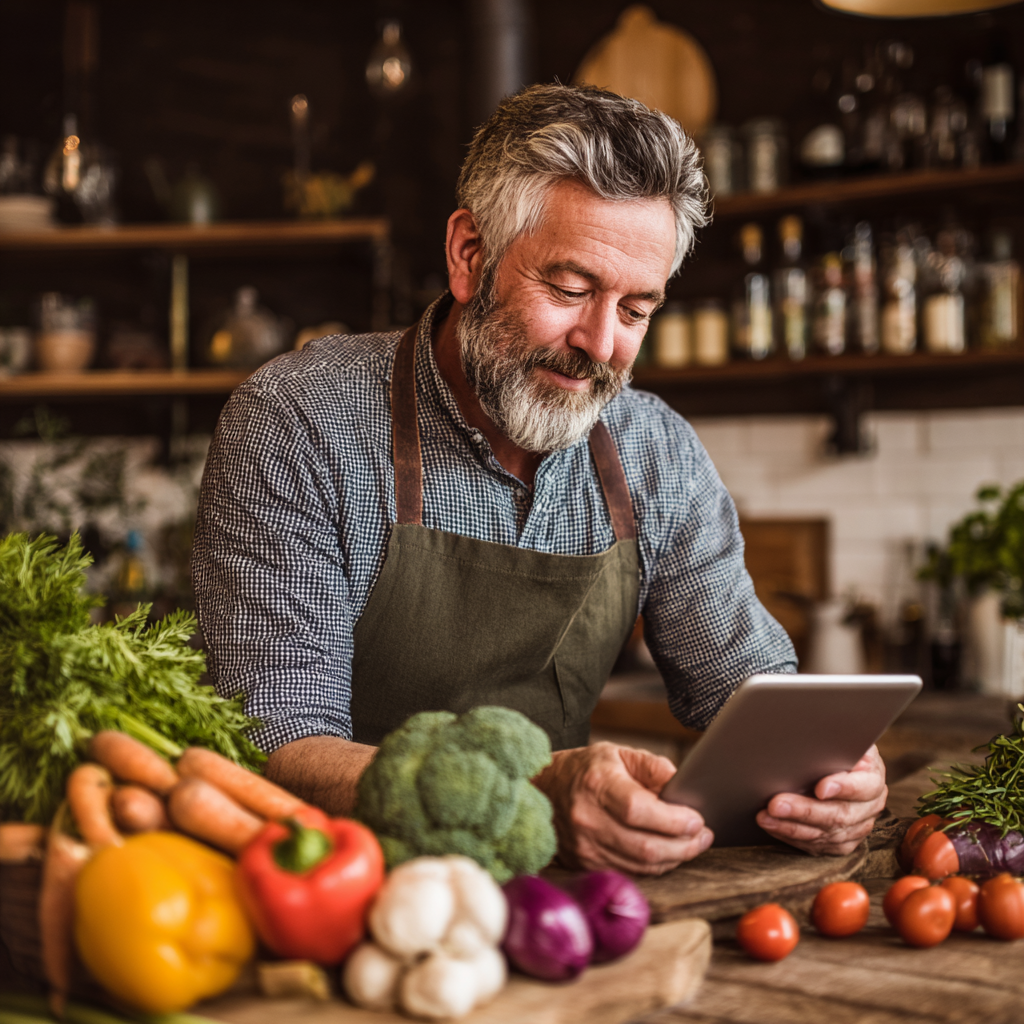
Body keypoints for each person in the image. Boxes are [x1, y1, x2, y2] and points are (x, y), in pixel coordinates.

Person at [192, 84, 887, 874]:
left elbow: (748, 690)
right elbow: (273, 742)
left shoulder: (655, 452)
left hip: (561, 896)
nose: (599, 343)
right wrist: (534, 787)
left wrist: (827, 773)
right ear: (469, 255)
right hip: (339, 887)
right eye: (570, 289)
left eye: (636, 310)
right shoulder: (298, 421)